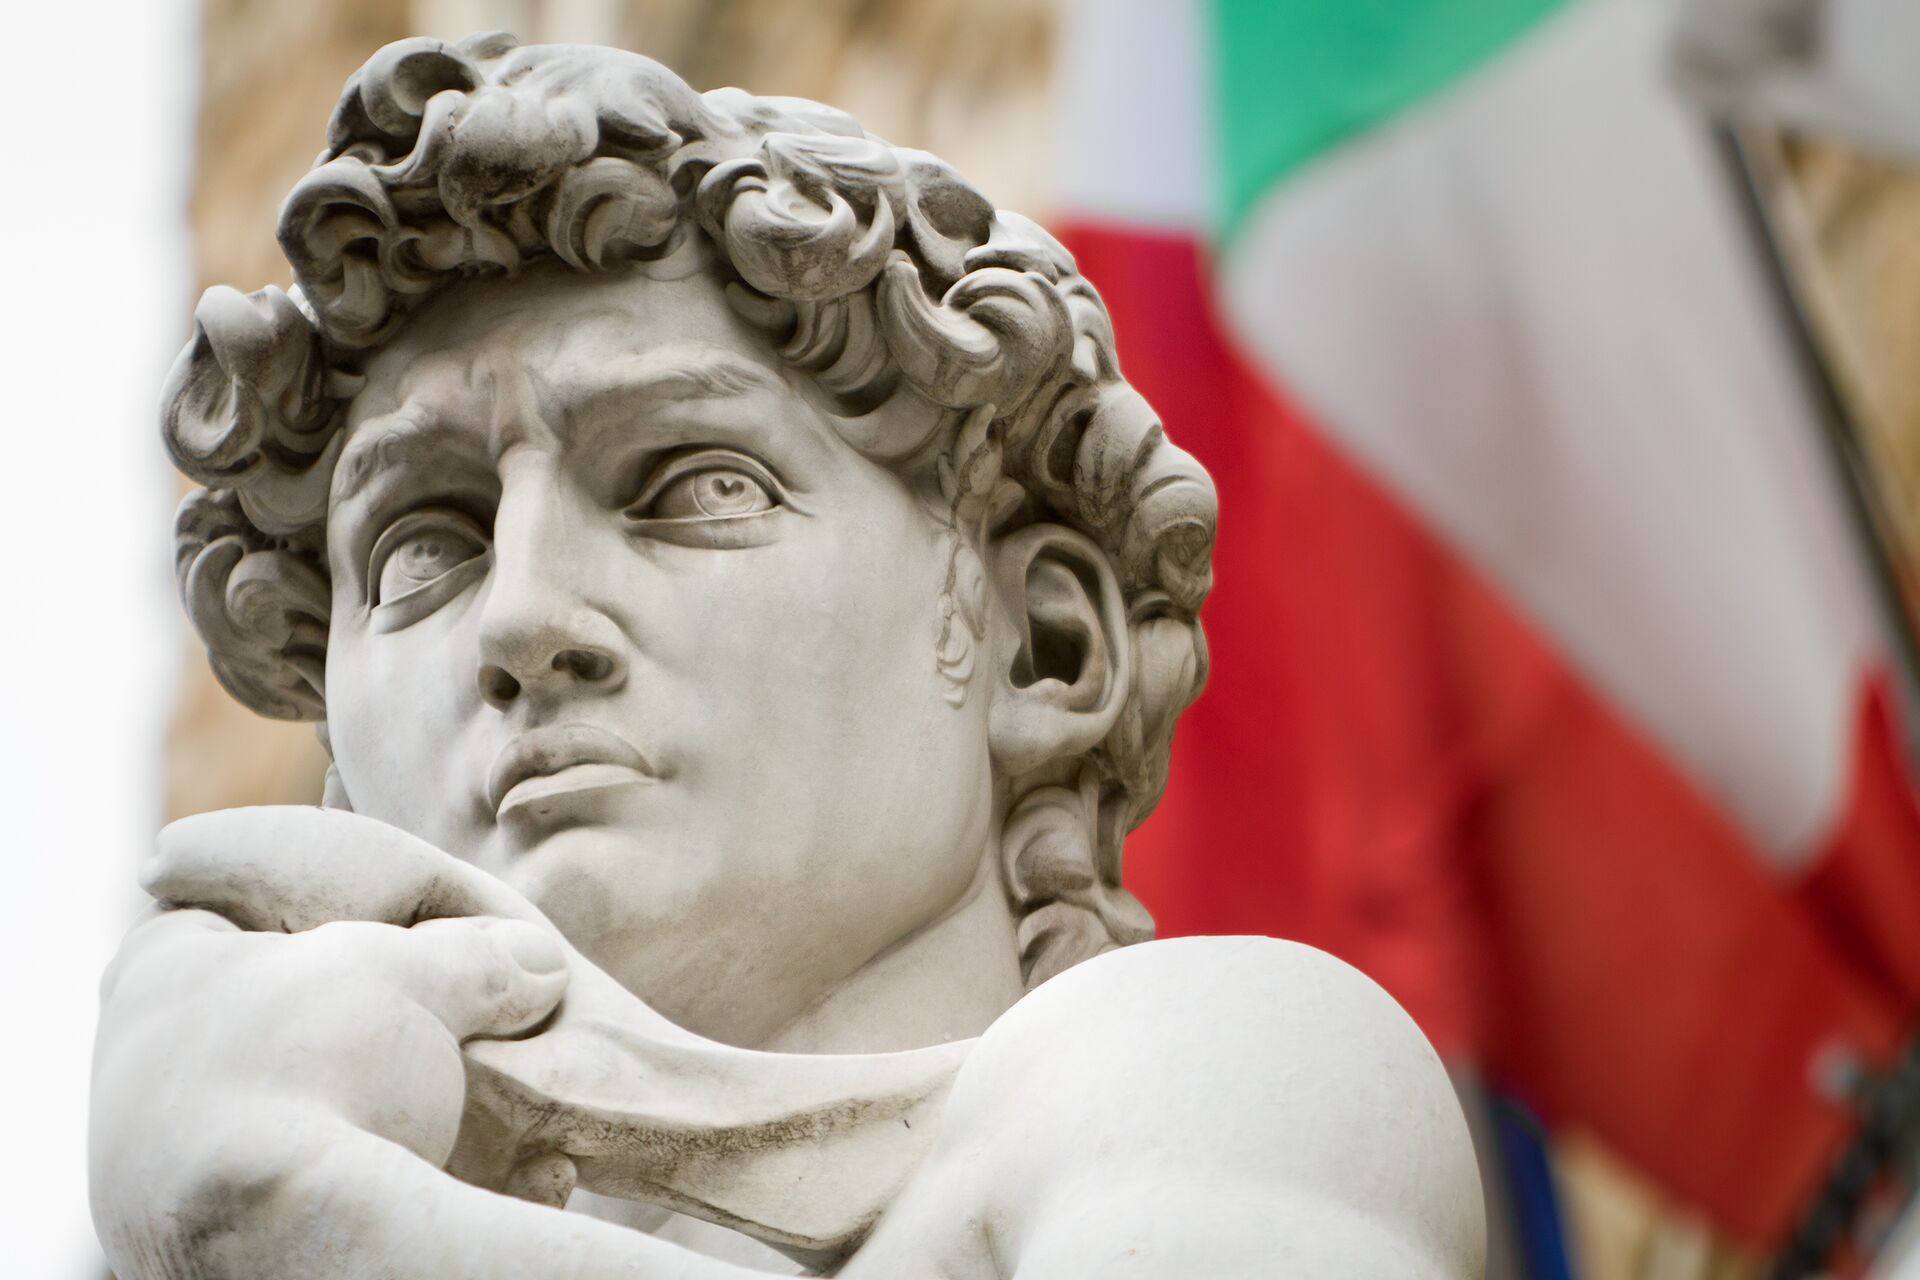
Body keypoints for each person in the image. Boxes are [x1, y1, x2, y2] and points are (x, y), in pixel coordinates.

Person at [91, 33, 1484, 1277]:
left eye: (696, 485)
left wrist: (352, 1229)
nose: (520, 620)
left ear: (1042, 649)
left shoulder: (1214, 1076)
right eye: (421, 551)